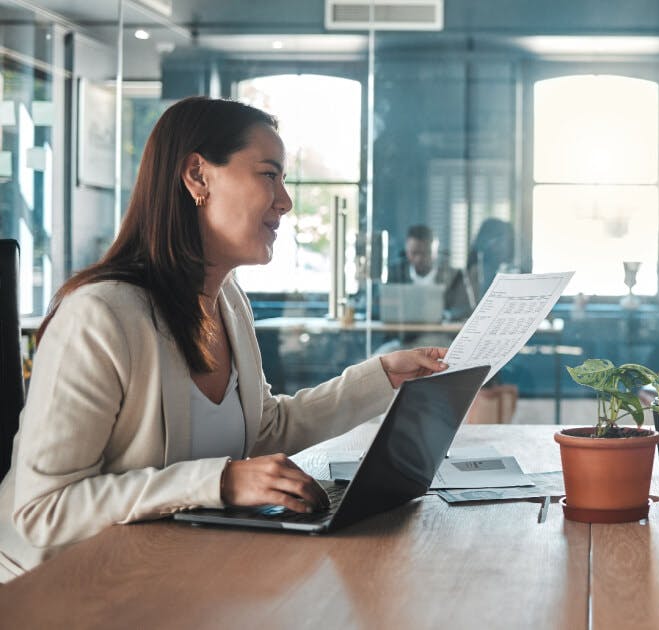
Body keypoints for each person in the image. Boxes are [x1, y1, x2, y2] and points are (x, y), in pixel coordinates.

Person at [0, 97, 448, 582]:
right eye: (269, 175)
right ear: (197, 176)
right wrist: (220, 481)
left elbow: (263, 429)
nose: (286, 200)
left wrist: (381, 377)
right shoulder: (99, 316)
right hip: (56, 587)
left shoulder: (228, 302)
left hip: (166, 572)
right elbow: (42, 508)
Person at [387, 224, 470, 320]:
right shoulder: (395, 273)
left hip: (441, 333)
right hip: (402, 333)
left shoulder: (455, 275)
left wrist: (445, 315)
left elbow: (467, 309)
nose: (419, 259)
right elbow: (379, 307)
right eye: (414, 253)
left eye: (425, 253)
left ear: (436, 250)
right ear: (406, 250)